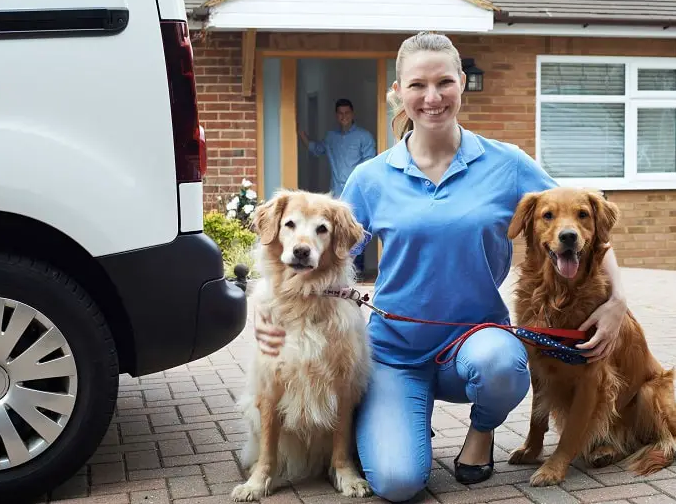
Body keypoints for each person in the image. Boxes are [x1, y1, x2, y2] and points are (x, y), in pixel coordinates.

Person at [255, 32, 629, 502]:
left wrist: (617, 301)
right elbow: (315, 250)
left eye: (444, 83)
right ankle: (407, 418)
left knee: (503, 365)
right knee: (396, 482)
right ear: (399, 91)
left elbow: (585, 223)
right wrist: (267, 309)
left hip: (475, 341)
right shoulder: (371, 177)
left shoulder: (505, 163)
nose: (432, 98)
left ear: (461, 86)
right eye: (417, 86)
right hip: (393, 350)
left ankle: (481, 431)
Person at [299, 98, 376, 275]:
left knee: (356, 231)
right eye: (340, 113)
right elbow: (317, 149)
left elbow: (369, 164)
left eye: (347, 113)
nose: (344, 116)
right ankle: (338, 273)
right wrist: (301, 135)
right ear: (336, 115)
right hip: (336, 195)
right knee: (335, 233)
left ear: (352, 113)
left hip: (358, 193)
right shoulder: (330, 137)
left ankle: (358, 273)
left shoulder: (364, 137)